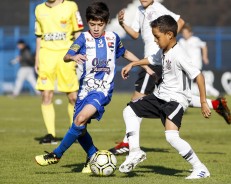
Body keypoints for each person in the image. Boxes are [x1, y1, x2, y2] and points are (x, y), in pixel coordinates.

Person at [34, 1, 150, 174]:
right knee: (79, 128)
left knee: (80, 119)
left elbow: (124, 52)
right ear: (88, 22)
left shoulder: (112, 38)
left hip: (102, 90)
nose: (96, 28)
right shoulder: (83, 38)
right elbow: (67, 56)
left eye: (100, 24)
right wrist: (73, 58)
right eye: (93, 24)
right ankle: (92, 155)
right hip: (84, 90)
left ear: (105, 23)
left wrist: (142, 65)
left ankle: (56, 154)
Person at [109, 0, 231, 155]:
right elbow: (135, 34)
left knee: (136, 100)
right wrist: (122, 24)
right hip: (154, 58)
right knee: (173, 94)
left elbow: (179, 22)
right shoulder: (140, 10)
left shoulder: (157, 8)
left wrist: (167, 43)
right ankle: (215, 103)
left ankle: (128, 142)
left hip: (156, 60)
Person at [119, 15, 211, 179]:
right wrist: (133, 63)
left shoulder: (179, 54)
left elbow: (199, 76)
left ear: (169, 35)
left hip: (175, 101)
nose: (155, 40)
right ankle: (135, 151)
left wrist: (203, 102)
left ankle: (200, 168)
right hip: (159, 97)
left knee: (171, 136)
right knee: (129, 111)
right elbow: (151, 59)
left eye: (157, 36)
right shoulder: (163, 50)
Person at [34, 0, 84, 144]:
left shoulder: (71, 6)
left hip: (66, 56)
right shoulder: (39, 9)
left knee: (73, 96)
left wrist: (77, 54)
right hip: (46, 56)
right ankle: (50, 134)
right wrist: (37, 59)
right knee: (46, 95)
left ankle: (75, 131)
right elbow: (38, 37)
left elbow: (78, 32)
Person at [178, 24, 220, 97]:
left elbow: (204, 46)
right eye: (183, 33)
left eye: (186, 33)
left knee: (196, 82)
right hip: (186, 65)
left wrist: (205, 57)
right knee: (194, 83)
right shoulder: (181, 41)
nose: (184, 34)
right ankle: (215, 93)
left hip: (195, 65)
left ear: (190, 33)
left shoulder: (195, 40)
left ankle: (216, 93)